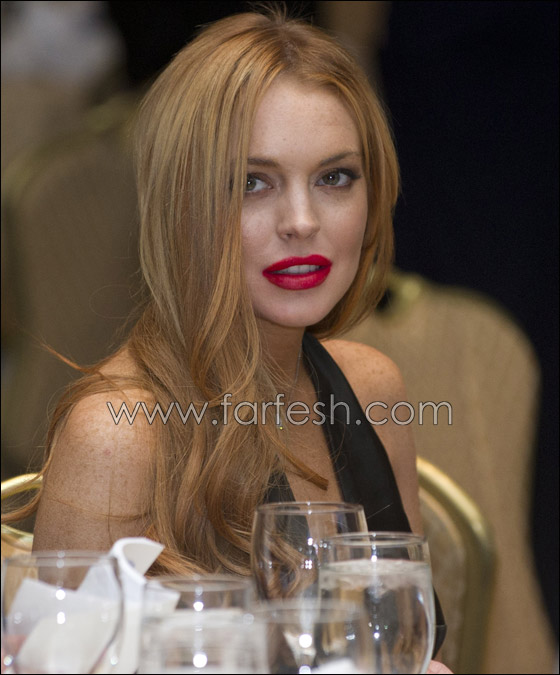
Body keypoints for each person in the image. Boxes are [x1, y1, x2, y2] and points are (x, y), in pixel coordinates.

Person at [3, 7, 451, 670]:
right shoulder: (119, 436)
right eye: (251, 183)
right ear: (182, 205)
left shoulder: (372, 388)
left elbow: (405, 645)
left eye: (334, 177)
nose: (302, 221)